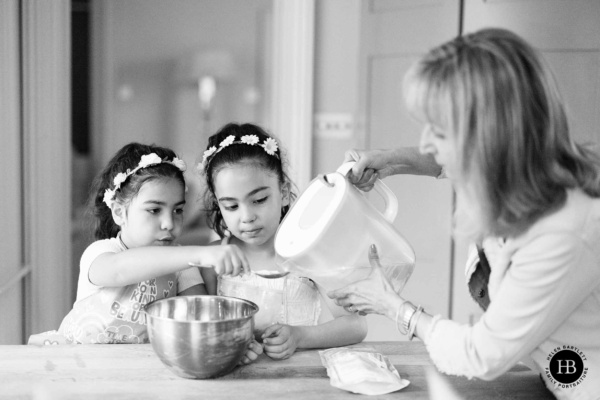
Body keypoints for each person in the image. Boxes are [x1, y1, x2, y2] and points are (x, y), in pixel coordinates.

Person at [328, 28, 600, 399]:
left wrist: (391, 304)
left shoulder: (564, 230)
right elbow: (444, 164)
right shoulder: (526, 174)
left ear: (487, 139)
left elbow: (482, 355)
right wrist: (391, 160)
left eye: (439, 130)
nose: (426, 142)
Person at [29, 142, 249, 345]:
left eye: (178, 210)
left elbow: (200, 318)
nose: (169, 223)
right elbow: (120, 270)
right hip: (81, 364)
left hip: (137, 370)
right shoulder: (101, 253)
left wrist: (235, 343)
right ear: (118, 212)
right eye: (154, 210)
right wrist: (200, 255)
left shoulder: (183, 266)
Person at [198, 122, 368, 363]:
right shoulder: (213, 260)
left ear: (284, 192)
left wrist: (300, 336)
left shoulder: (308, 254)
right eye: (232, 206)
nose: (247, 217)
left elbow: (356, 325)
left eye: (259, 200)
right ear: (219, 205)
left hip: (299, 382)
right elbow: (202, 330)